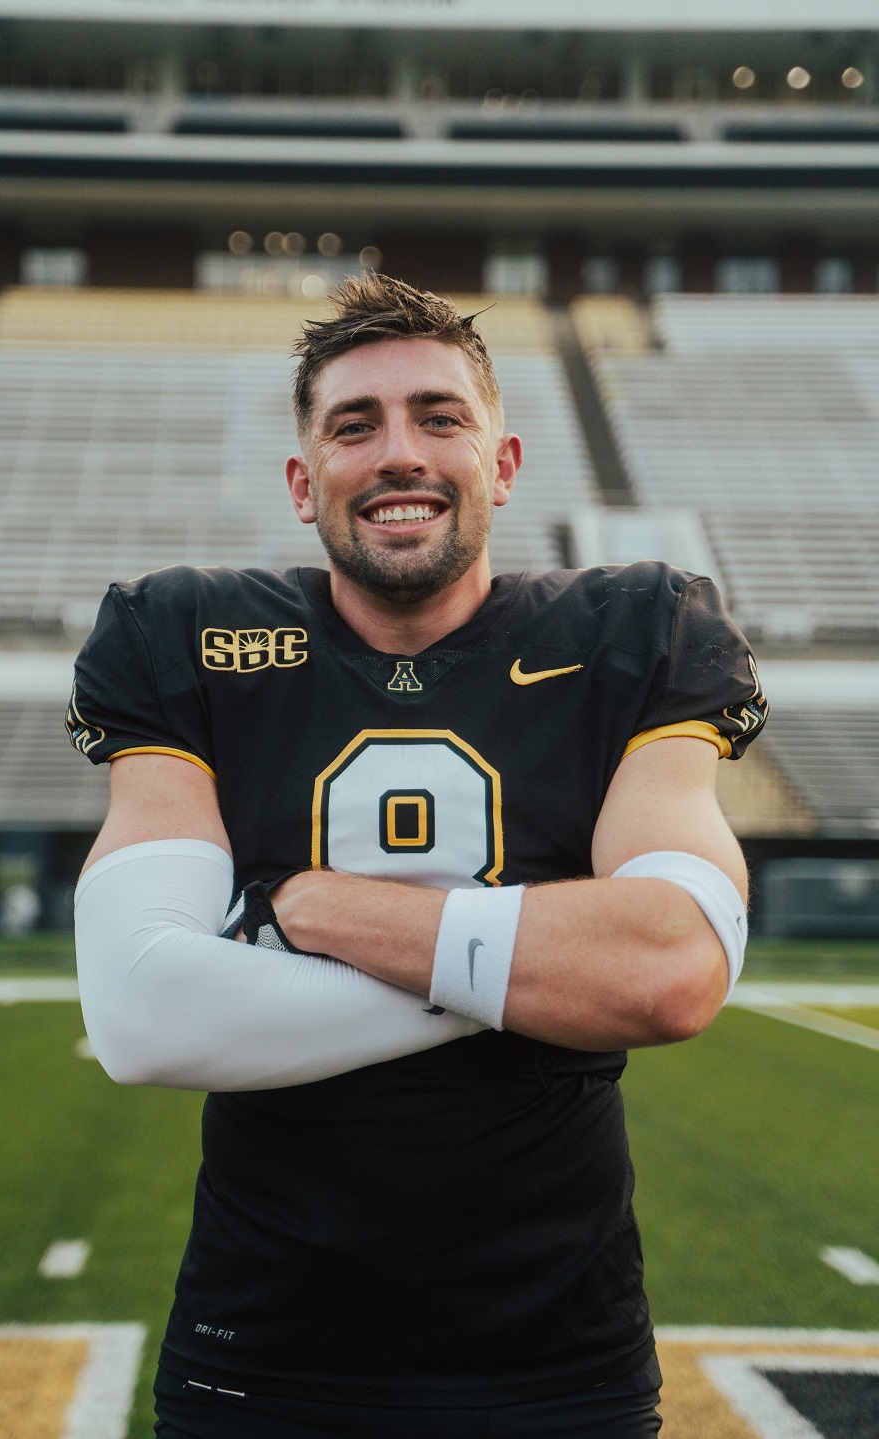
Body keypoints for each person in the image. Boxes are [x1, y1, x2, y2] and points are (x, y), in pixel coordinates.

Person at [67, 273, 768, 1439]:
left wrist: (306, 903)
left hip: (561, 1364)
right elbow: (145, 1012)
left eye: (440, 417)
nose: (399, 453)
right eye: (356, 424)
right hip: (264, 1360)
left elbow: (669, 968)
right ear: (305, 483)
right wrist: (546, 966)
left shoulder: (639, 630)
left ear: (501, 464)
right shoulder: (181, 632)